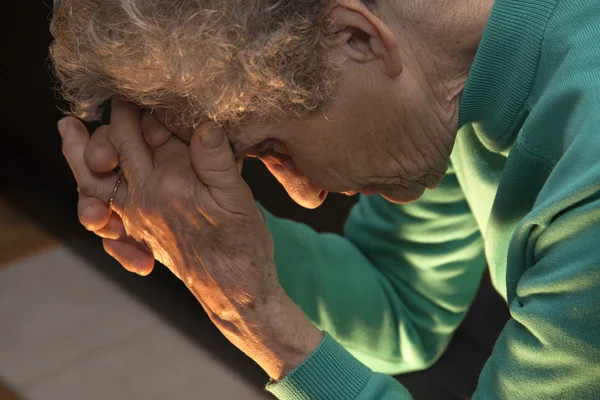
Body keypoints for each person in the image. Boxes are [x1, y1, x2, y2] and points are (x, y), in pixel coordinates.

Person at [52, 0, 600, 398]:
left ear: (356, 37)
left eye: (275, 146)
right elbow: (402, 306)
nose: (306, 193)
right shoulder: (453, 79)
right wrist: (207, 235)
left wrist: (254, 314)